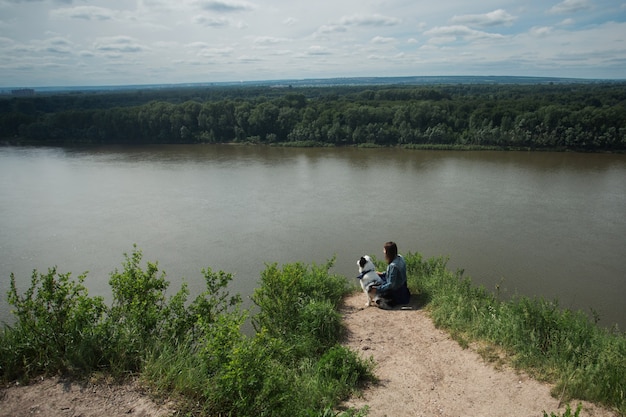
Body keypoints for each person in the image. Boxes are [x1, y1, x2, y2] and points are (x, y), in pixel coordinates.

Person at [371, 241, 411, 309]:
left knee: (375, 286)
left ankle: (385, 300)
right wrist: (382, 273)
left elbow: (391, 284)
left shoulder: (393, 266)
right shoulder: (400, 257)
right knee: (378, 277)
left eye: (384, 250)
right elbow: (394, 275)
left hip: (397, 290)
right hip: (402, 286)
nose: (383, 251)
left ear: (388, 252)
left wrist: (378, 289)